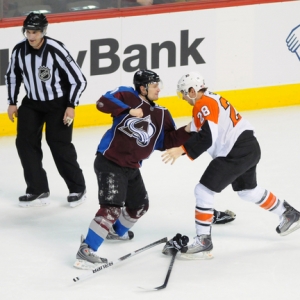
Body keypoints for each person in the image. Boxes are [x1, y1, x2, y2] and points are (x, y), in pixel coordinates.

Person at [74, 69, 235, 269]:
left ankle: (114, 231)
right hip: (110, 161)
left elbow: (167, 141)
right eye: (154, 85)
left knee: (139, 206)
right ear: (143, 88)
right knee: (112, 208)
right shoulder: (127, 95)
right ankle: (87, 249)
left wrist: (187, 130)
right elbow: (102, 102)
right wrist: (127, 110)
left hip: (131, 167)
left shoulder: (162, 114)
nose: (159, 88)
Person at [161, 71, 300, 258]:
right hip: (249, 147)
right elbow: (190, 129)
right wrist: (164, 141)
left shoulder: (203, 104)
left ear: (193, 91)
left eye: (184, 94)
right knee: (247, 191)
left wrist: (182, 150)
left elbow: (207, 137)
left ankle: (203, 240)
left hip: (236, 151)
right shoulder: (211, 100)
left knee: (203, 191)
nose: (184, 99)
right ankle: (287, 213)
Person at [5, 12, 87, 208]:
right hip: (32, 104)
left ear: (43, 32)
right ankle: (37, 188)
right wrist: (12, 101)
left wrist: (71, 105)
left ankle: (77, 187)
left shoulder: (56, 50)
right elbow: (13, 76)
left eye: (35, 32)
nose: (31, 36)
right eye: (28, 32)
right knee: (25, 143)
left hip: (58, 104)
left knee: (59, 145)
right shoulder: (19, 50)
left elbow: (79, 79)